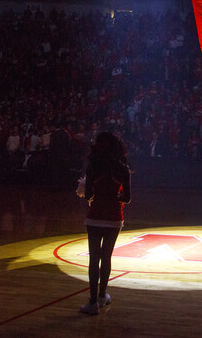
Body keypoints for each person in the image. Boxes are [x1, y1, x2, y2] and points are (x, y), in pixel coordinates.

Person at [76, 132, 132, 316]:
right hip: (115, 216)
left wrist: (88, 190)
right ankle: (102, 296)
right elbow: (127, 198)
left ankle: (92, 303)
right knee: (106, 257)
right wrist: (115, 195)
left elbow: (90, 194)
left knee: (94, 258)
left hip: (95, 214)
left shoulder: (93, 167)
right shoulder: (123, 169)